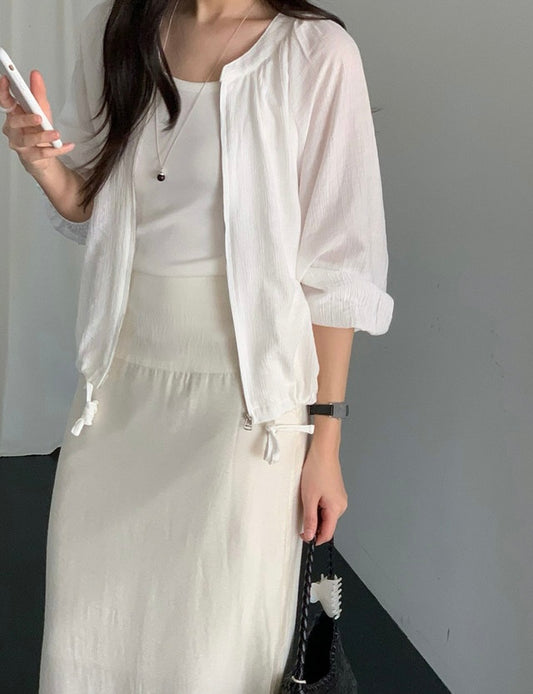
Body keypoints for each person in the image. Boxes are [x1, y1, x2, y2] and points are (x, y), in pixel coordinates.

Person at [0, 0, 394, 691]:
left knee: (213, 643)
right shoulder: (118, 26)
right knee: (91, 631)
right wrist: (44, 167)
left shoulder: (314, 54)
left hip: (246, 410)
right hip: (117, 391)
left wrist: (324, 441)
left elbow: (337, 269)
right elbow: (97, 204)